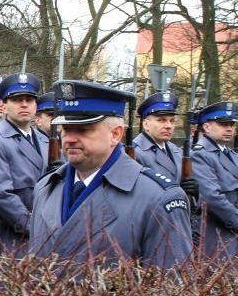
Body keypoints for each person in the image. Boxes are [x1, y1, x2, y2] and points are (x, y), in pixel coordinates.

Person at [29, 81, 192, 270]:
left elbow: (170, 291)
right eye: (65, 130)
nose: (70, 139)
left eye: (83, 130)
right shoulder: (46, 188)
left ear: (115, 134)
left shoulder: (157, 198)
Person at [0, 73, 48, 259]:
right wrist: (34, 226)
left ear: (36, 106)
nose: (24, 104)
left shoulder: (46, 141)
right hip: (12, 233)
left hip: (45, 229)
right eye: (17, 100)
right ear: (5, 106)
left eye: (29, 100)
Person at [191, 101, 238, 259]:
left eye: (232, 124)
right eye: (223, 124)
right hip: (219, 236)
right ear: (207, 127)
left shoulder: (231, 155)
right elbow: (212, 198)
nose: (229, 128)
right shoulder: (200, 155)